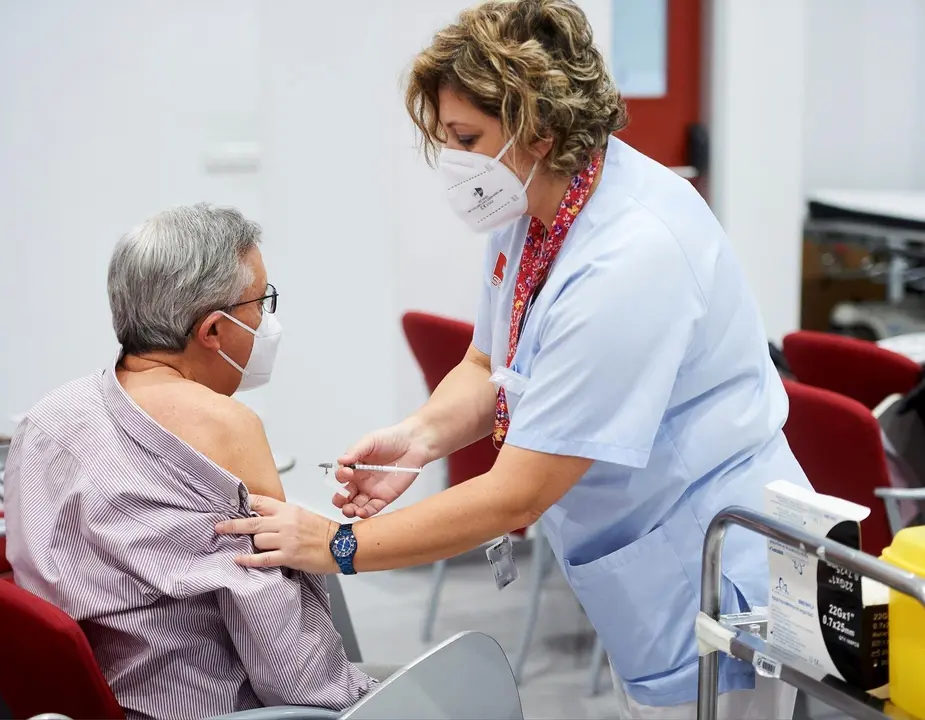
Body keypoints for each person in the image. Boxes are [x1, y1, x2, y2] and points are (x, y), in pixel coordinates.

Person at [217, 1, 807, 717]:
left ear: (539, 128)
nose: (456, 162)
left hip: (714, 560)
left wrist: (339, 545)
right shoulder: (533, 211)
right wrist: (421, 437)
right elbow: (486, 364)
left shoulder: (630, 258)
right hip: (645, 554)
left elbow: (516, 493)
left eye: (467, 137)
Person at [3, 204, 375, 720]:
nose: (268, 320)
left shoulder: (48, 418)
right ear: (213, 331)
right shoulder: (224, 426)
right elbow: (295, 674)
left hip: (89, 702)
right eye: (261, 302)